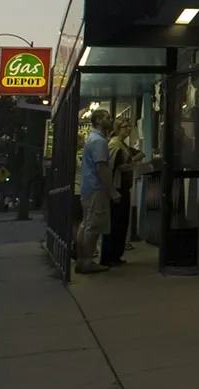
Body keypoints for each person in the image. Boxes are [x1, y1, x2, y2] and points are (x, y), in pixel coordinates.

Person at [75, 109, 116, 274]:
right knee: (93, 226)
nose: (110, 119)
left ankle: (82, 259)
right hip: (96, 188)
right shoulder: (99, 141)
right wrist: (111, 190)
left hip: (87, 188)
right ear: (98, 120)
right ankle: (87, 261)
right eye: (107, 117)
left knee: (85, 224)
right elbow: (101, 167)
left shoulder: (92, 139)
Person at [101, 117, 142, 267]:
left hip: (122, 187)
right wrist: (132, 165)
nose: (128, 129)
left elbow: (137, 154)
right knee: (115, 223)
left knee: (121, 222)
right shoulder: (115, 144)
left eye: (129, 126)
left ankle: (115, 254)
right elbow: (117, 166)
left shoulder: (122, 145)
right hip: (117, 187)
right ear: (118, 128)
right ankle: (110, 255)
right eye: (125, 127)